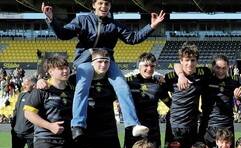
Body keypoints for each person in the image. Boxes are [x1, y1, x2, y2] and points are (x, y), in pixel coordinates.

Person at [41, 0, 163, 139]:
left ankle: (133, 124)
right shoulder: (82, 20)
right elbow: (63, 34)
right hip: (86, 60)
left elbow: (133, 38)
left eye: (107, 4)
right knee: (82, 85)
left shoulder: (114, 24)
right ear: (93, 5)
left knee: (122, 86)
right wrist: (50, 18)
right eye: (100, 3)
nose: (104, 6)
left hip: (107, 61)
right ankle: (78, 125)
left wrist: (151, 26)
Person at [164, 42, 212, 148]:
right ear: (181, 61)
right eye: (186, 60)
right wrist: (171, 104)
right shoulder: (171, 77)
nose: (189, 64)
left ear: (197, 61)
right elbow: (161, 92)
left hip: (191, 125)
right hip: (175, 125)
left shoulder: (203, 73)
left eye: (193, 60)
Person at [123, 53, 171, 148]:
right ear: (139, 66)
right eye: (146, 65)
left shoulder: (158, 83)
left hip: (152, 128)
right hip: (133, 128)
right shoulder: (128, 81)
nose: (149, 69)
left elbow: (169, 102)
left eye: (152, 66)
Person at [199, 55, 241, 148]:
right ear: (213, 66)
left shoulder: (233, 83)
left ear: (228, 67)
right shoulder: (205, 80)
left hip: (227, 126)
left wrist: (239, 97)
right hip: (208, 126)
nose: (221, 71)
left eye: (224, 68)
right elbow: (179, 66)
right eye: (218, 67)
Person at [3, 76, 36, 148]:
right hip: (17, 132)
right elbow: (16, 111)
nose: (24, 84)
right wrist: (13, 127)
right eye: (24, 83)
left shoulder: (37, 95)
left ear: (33, 83)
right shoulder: (21, 95)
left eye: (26, 83)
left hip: (31, 133)